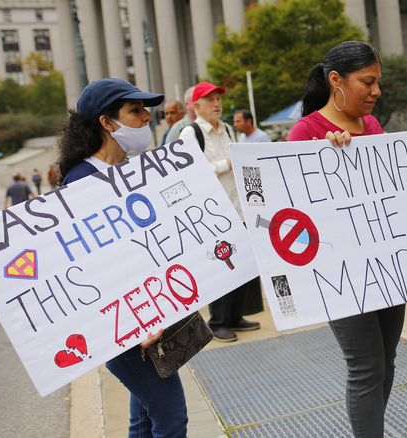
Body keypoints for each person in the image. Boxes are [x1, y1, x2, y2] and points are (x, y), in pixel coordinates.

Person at [57, 77, 188, 437]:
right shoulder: (82, 183)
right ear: (106, 122)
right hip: (125, 327)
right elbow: (92, 269)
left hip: (148, 318)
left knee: (145, 417)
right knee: (171, 418)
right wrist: (138, 318)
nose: (147, 116)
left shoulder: (129, 169)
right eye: (135, 110)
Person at [288, 41, 406, 438]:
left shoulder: (372, 126)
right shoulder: (305, 133)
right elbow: (295, 216)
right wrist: (328, 163)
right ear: (336, 80)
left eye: (378, 83)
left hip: (387, 264)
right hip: (342, 273)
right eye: (367, 82)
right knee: (366, 366)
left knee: (386, 361)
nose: (376, 91)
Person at [180, 82, 261, 343]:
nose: (217, 104)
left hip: (238, 208)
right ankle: (218, 322)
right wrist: (227, 164)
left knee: (242, 265)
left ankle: (236, 316)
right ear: (196, 106)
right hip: (213, 215)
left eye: (218, 99)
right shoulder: (190, 133)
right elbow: (193, 170)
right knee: (222, 267)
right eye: (210, 99)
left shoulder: (226, 129)